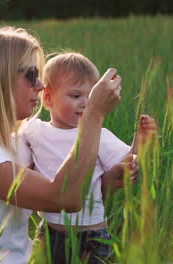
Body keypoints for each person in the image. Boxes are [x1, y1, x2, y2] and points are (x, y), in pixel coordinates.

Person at [0, 27, 122, 263]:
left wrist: (108, 179)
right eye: (31, 75)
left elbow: (78, 192)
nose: (41, 86)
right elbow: (65, 198)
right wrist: (93, 114)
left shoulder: (13, 145)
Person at [19, 52, 157, 264]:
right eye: (75, 96)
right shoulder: (35, 131)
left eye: (90, 97)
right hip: (48, 234)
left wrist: (140, 142)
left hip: (90, 239)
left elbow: (127, 162)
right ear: (47, 98)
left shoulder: (97, 134)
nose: (85, 103)